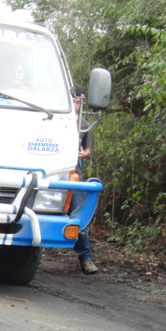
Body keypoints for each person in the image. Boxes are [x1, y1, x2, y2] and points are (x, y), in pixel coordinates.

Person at [71, 84, 98, 275]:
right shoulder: (53, 120)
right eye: (72, 101)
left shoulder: (84, 125)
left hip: (73, 172)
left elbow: (88, 149)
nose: (75, 105)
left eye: (78, 102)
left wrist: (83, 153)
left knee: (79, 213)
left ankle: (86, 258)